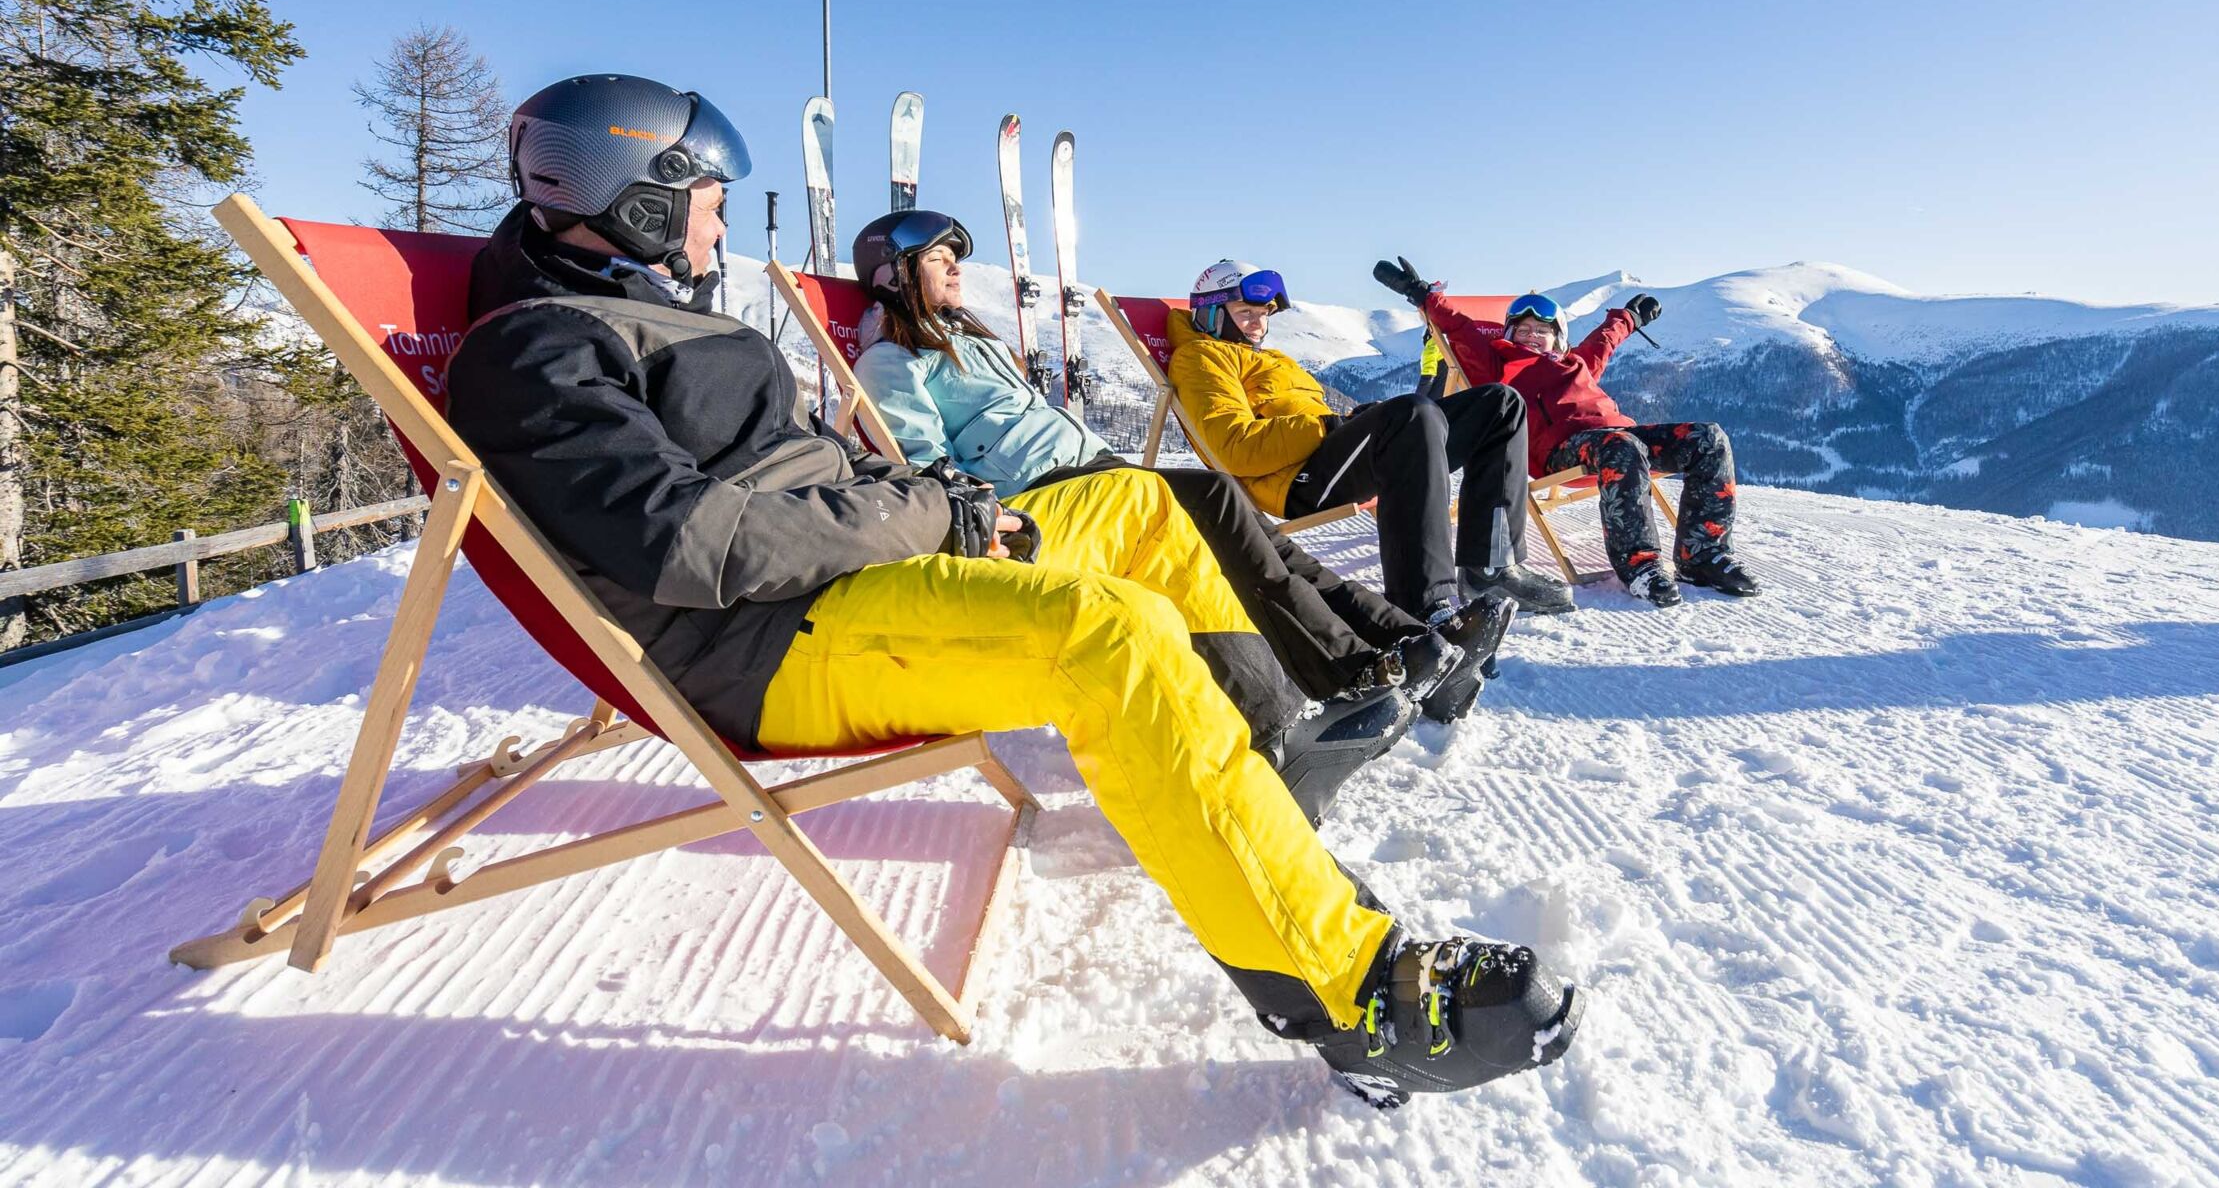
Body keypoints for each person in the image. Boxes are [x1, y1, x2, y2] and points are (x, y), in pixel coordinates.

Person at [444, 74, 1583, 1107]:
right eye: (708, 196)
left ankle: (1265, 761)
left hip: (855, 571)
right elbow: (695, 544)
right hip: (769, 640)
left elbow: (808, 470)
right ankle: (1357, 996)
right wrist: (938, 512)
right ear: (637, 196)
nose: (722, 218)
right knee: (1108, 632)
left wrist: (940, 500)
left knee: (1144, 507)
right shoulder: (539, 350)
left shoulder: (643, 309)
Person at [846, 209, 1506, 820]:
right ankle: (1358, 669)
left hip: (1094, 476)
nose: (957, 267)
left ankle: (1403, 646)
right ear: (894, 275)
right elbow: (927, 469)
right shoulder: (889, 362)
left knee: (1252, 531)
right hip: (1039, 501)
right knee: (1217, 507)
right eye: (939, 259)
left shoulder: (969, 344)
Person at [1166, 260, 1576, 624]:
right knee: (1412, 415)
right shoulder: (1202, 358)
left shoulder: (1272, 358)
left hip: (1331, 455)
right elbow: (1235, 447)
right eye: (1245, 313)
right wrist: (1331, 426)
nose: (1258, 323)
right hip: (1299, 481)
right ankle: (1423, 605)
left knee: (1499, 404)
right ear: (1210, 312)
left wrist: (1353, 422)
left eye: (1262, 314)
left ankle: (1490, 566)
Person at [1376, 256, 1760, 607]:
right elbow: (1459, 328)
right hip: (1561, 450)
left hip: (1618, 440)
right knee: (1620, 446)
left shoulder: (1576, 363)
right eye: (1521, 328)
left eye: (1540, 329)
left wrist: (1630, 316)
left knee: (1708, 437)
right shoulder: (1497, 364)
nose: (1529, 335)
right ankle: (1639, 565)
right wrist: (1421, 294)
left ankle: (1703, 555)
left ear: (1558, 337)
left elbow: (1604, 340)